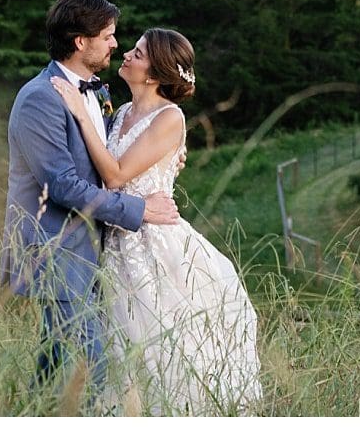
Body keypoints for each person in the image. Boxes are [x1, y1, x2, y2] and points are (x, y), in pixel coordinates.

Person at [53, 28, 262, 415]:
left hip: (154, 244)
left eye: (138, 53)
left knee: (160, 344)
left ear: (153, 74)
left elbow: (115, 176)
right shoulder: (120, 115)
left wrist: (80, 114)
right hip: (114, 243)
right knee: (118, 349)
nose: (127, 55)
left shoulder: (170, 118)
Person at [1, 0, 181, 401]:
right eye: (109, 36)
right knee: (97, 366)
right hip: (56, 251)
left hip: (95, 253)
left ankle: (30, 413)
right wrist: (141, 210)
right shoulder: (40, 99)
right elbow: (61, 186)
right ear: (81, 42)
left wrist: (169, 152)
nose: (116, 45)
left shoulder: (96, 93)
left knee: (54, 366)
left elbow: (113, 151)